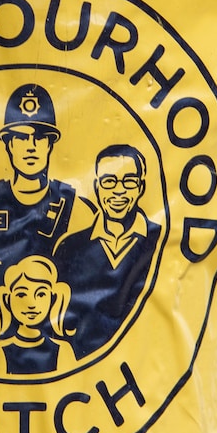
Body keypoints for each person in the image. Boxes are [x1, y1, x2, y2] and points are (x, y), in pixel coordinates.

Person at [0, 83, 93, 326]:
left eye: (40, 137)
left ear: (50, 144)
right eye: (21, 137)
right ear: (9, 145)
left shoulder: (79, 211)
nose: (31, 146)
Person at [52, 144, 160, 358]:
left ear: (141, 187)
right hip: (82, 368)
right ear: (97, 186)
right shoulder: (70, 248)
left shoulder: (161, 242)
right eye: (109, 181)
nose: (118, 191)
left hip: (147, 365)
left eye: (129, 181)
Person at [0, 256, 75, 377]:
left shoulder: (63, 349)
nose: (32, 304)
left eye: (41, 294)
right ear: (7, 299)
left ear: (52, 299)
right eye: (21, 295)